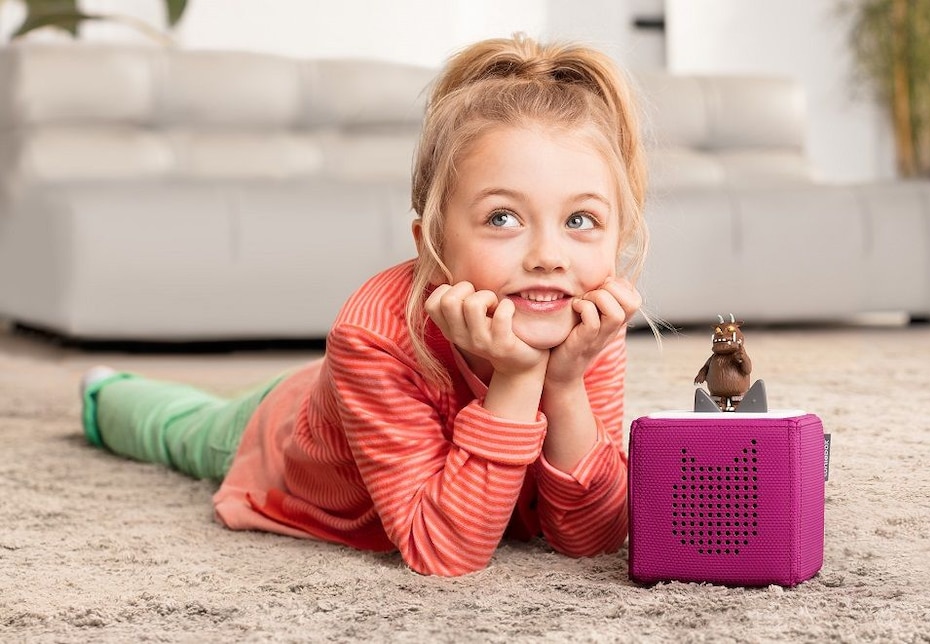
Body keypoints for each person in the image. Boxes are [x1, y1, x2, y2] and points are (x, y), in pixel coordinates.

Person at [79, 33, 653, 577]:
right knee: (182, 430)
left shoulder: (585, 323)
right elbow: (444, 551)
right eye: (502, 218)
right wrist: (520, 373)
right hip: (293, 428)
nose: (549, 257)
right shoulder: (372, 335)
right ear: (431, 241)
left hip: (350, 389)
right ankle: (106, 393)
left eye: (581, 220)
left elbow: (592, 539)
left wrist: (565, 384)